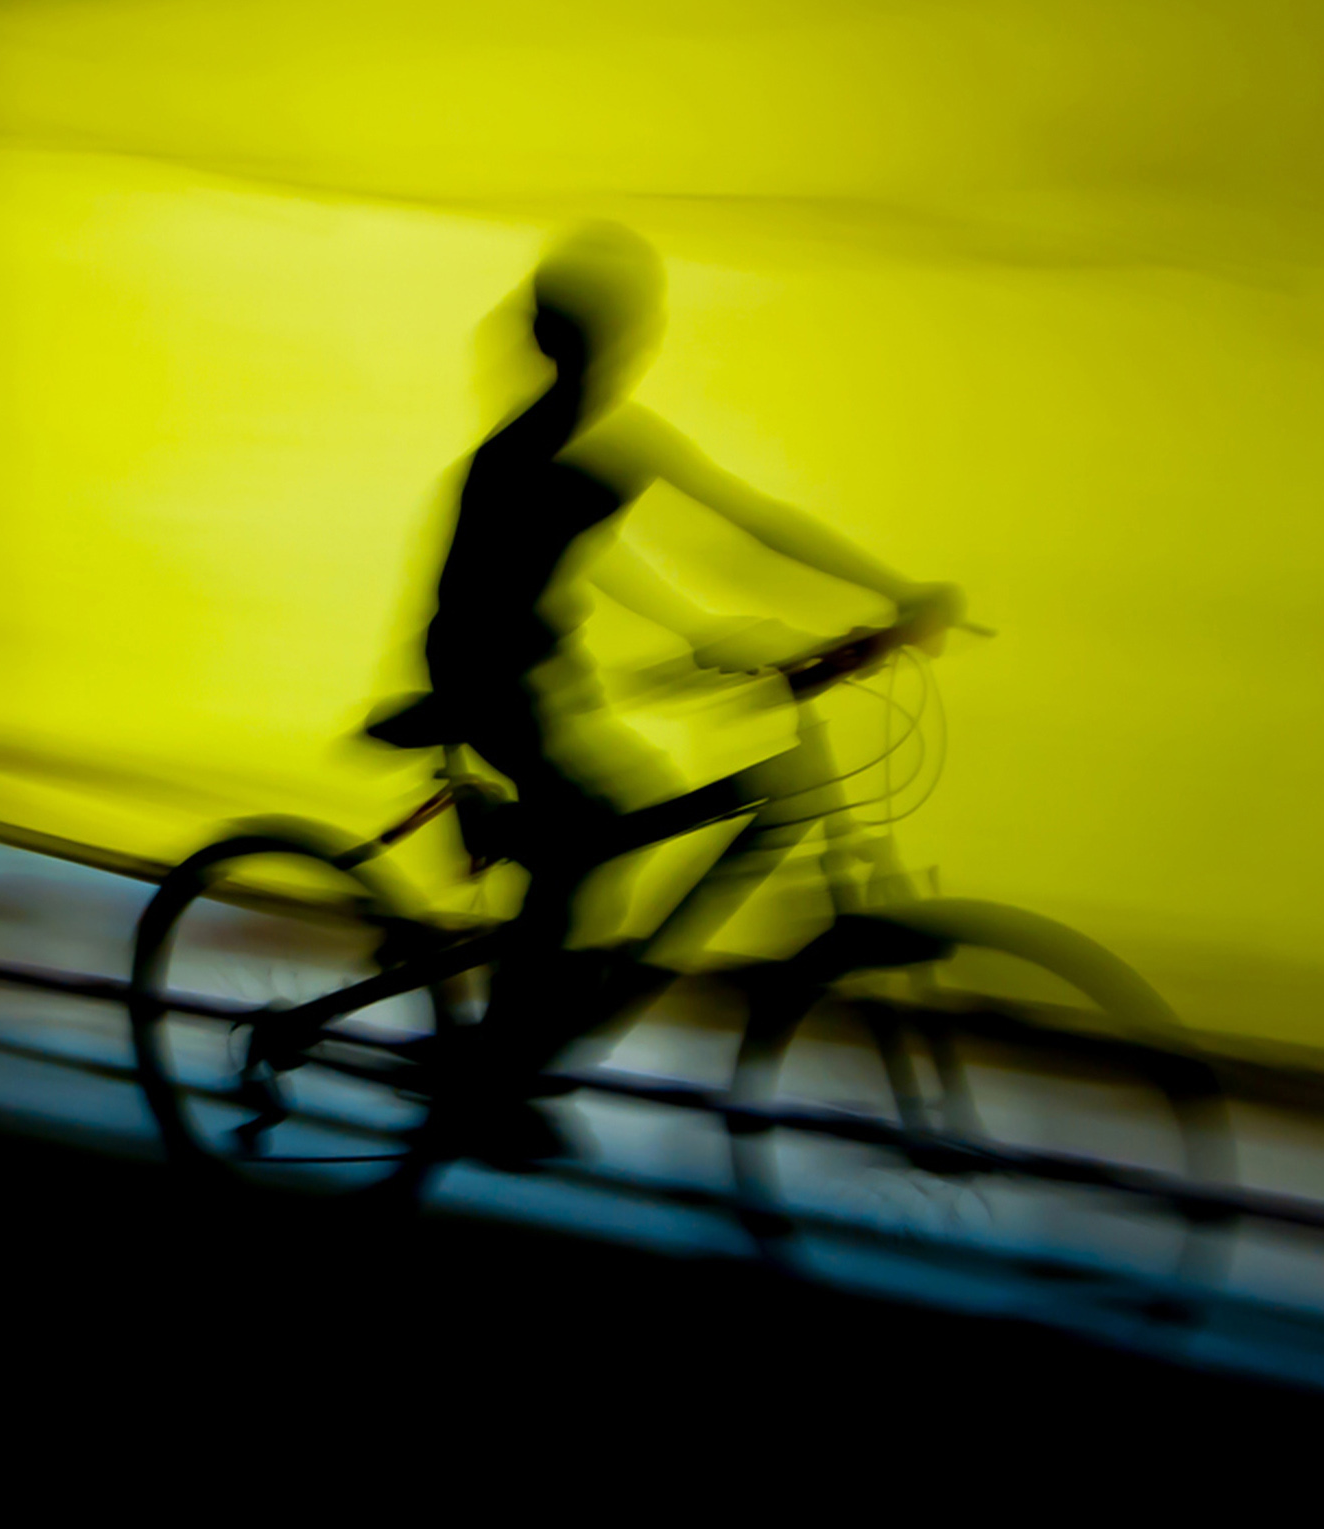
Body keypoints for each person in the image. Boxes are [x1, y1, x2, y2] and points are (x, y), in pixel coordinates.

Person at [367, 224, 957, 1165]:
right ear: (578, 344)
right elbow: (497, 600)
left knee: (607, 829)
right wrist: (884, 600)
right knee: (591, 834)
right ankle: (493, 1082)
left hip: (535, 672)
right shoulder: (519, 457)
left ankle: (511, 1055)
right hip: (479, 675)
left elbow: (731, 531)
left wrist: (871, 602)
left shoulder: (599, 446)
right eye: (608, 336)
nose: (619, 354)